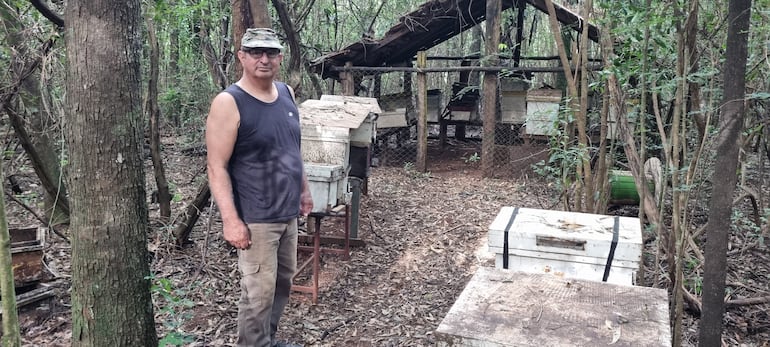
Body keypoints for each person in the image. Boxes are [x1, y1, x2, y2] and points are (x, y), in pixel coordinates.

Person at [206, 27, 312, 347]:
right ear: (242, 56)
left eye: (271, 52)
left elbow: (292, 148)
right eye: (255, 52)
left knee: (281, 283)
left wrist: (304, 190)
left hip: (287, 210)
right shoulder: (229, 102)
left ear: (280, 57)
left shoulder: (286, 94)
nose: (263, 59)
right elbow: (216, 166)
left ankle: (268, 340)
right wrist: (231, 220)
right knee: (258, 293)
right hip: (256, 216)